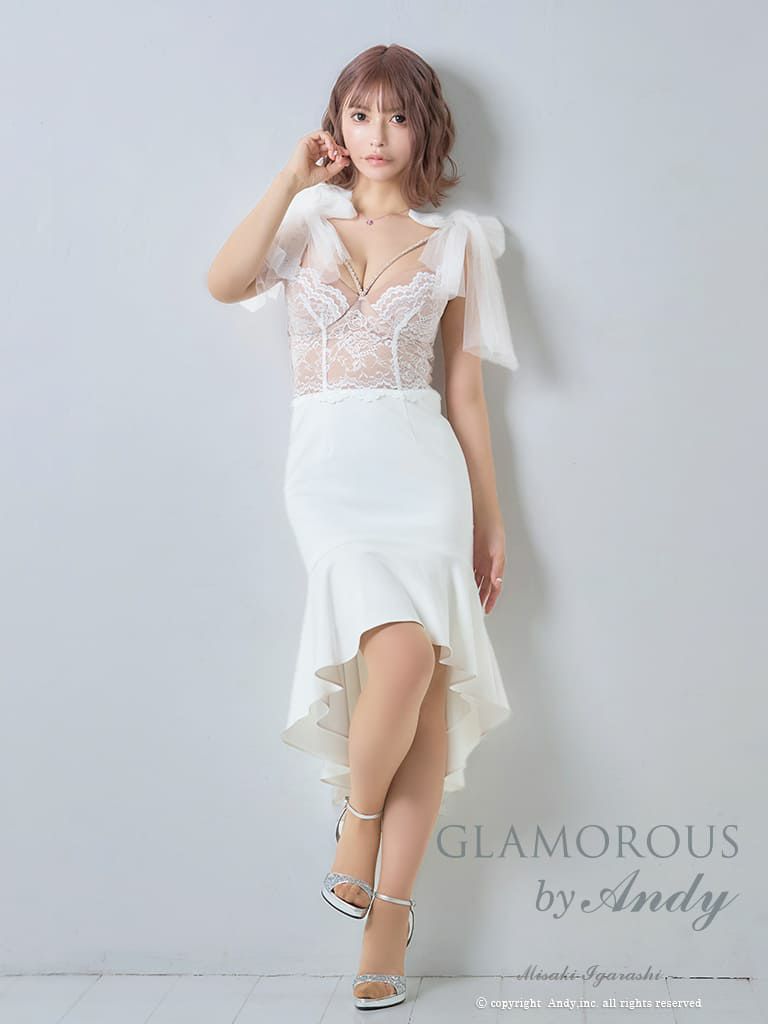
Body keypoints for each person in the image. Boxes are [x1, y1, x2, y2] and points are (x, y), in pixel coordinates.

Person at [207, 43, 519, 1012]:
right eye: (360, 114)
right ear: (336, 126)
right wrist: (290, 178)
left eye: (397, 115)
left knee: (424, 681)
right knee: (401, 658)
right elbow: (224, 282)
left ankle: (389, 914)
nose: (378, 134)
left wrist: (491, 519)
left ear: (425, 128)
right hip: (331, 475)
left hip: (423, 475)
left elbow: (465, 396)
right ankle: (361, 816)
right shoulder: (305, 222)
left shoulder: (460, 243)